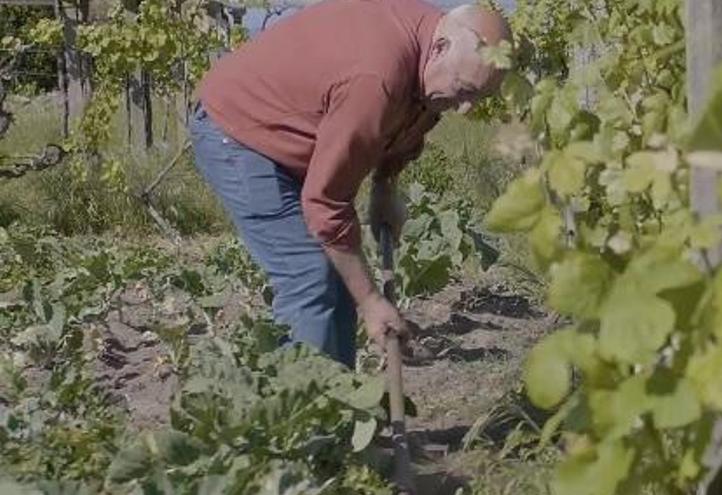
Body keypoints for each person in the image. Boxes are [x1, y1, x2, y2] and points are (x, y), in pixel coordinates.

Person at [189, 0, 512, 368]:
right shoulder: (376, 75)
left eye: (478, 97)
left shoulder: (430, 65)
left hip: (295, 132)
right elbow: (325, 204)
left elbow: (412, 115)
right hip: (239, 131)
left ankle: (334, 407)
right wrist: (372, 303)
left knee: (338, 276)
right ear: (440, 48)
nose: (466, 108)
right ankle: (301, 417)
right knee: (309, 276)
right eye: (464, 89)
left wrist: (384, 187)